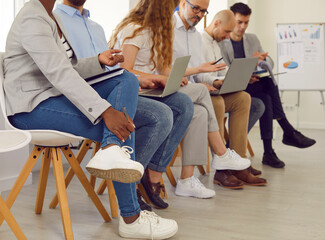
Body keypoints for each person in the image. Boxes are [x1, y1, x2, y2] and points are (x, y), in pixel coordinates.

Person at [4, 0, 178, 239]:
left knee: (126, 79)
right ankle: (131, 217)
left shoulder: (47, 15)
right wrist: (105, 111)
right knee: (120, 126)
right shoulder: (32, 18)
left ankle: (112, 150)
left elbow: (66, 68)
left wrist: (97, 61)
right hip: (31, 109)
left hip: (52, 97)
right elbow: (60, 73)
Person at [53, 0, 194, 212]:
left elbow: (114, 71)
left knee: (182, 103)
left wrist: (137, 80)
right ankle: (131, 185)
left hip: (114, 89)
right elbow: (62, 73)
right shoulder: (55, 23)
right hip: (86, 99)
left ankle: (146, 172)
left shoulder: (95, 27)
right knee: (160, 115)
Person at [110, 0, 252, 198]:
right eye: (171, 9)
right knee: (201, 94)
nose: (173, 12)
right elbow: (125, 71)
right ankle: (221, 154)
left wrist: (187, 74)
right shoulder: (135, 29)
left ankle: (187, 179)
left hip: (154, 89)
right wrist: (160, 78)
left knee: (200, 111)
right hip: (138, 91)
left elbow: (165, 69)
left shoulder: (155, 31)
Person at [173, 1, 267, 190]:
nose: (199, 14)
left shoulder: (195, 37)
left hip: (203, 88)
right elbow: (174, 71)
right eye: (195, 8)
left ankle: (237, 162)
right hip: (183, 89)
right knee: (215, 103)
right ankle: (222, 167)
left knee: (243, 98)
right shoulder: (173, 31)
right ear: (183, 4)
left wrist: (216, 81)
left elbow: (202, 71)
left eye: (203, 10)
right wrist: (204, 82)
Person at [219, 2, 316, 168]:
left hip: (253, 85)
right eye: (239, 22)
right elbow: (225, 72)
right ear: (231, 19)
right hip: (233, 88)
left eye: (246, 22)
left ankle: (270, 151)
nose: (243, 27)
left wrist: (262, 59)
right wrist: (249, 67)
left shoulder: (252, 39)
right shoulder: (222, 42)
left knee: (265, 97)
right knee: (268, 83)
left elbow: (269, 61)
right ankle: (286, 132)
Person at [201, 9, 265, 134]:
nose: (227, 37)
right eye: (227, 32)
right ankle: (221, 153)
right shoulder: (199, 41)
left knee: (244, 98)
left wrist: (237, 77)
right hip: (207, 91)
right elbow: (198, 74)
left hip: (218, 89)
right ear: (216, 23)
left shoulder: (215, 43)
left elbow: (223, 69)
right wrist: (216, 81)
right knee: (220, 103)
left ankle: (237, 152)